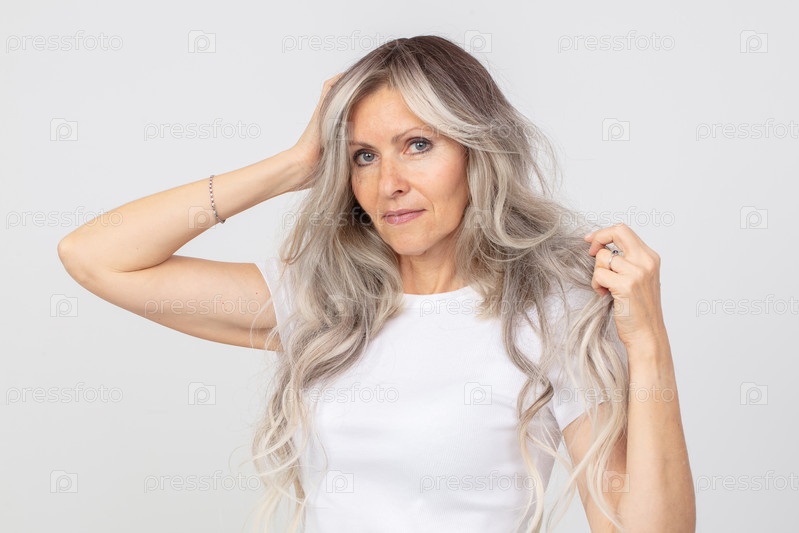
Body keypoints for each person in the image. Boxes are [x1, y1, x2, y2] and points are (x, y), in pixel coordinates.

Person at [58, 35, 695, 533]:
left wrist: (648, 343)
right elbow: (94, 256)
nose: (388, 183)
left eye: (417, 145)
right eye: (364, 155)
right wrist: (292, 166)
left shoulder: (551, 313)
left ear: (478, 152)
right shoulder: (327, 303)